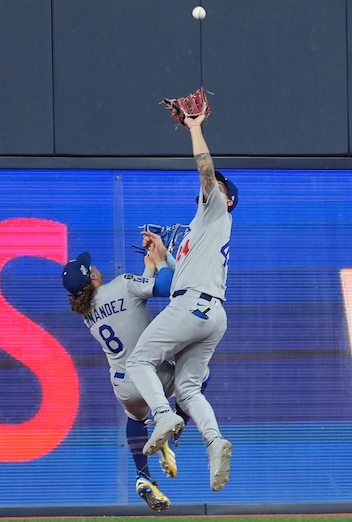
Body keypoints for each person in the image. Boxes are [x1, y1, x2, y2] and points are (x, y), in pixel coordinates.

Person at [126, 106, 238, 492]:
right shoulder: (198, 230)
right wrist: (161, 257)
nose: (211, 186)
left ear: (227, 200)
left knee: (139, 359)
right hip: (212, 313)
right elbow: (182, 273)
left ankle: (162, 414)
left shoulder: (217, 211)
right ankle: (214, 441)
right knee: (188, 389)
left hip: (192, 306)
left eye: (220, 187)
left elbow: (206, 169)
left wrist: (194, 128)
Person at [61, 233, 207, 511]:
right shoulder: (122, 284)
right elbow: (164, 288)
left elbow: (131, 304)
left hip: (123, 386)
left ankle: (143, 477)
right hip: (151, 374)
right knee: (201, 376)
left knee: (135, 418)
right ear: (91, 276)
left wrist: (149, 266)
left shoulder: (86, 313)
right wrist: (162, 261)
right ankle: (172, 431)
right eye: (90, 268)